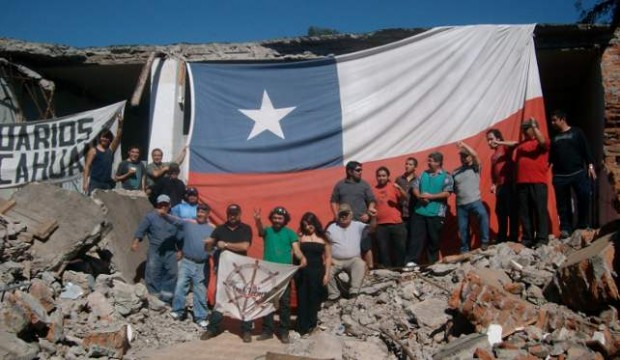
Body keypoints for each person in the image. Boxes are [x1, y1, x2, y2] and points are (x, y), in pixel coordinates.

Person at [201, 204, 253, 343]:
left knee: (244, 299)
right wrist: (208, 243)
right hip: (224, 272)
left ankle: (246, 330)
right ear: (227, 214)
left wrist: (225, 245)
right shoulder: (219, 229)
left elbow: (245, 246)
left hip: (241, 272)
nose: (232, 216)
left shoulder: (246, 228)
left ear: (240, 214)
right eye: (230, 213)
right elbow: (209, 248)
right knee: (220, 300)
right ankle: (212, 329)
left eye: (235, 213)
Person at [254, 206, 306, 344]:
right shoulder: (267, 231)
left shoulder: (290, 233)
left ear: (285, 219)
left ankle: (284, 332)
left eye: (280, 218)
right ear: (271, 218)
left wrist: (302, 258)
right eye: (275, 218)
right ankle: (267, 331)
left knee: (284, 304)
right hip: (267, 273)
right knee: (267, 302)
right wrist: (258, 220)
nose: (277, 220)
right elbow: (260, 231)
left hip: (284, 274)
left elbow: (296, 250)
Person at [495, 118, 550, 247]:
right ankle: (527, 239)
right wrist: (499, 142)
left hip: (537, 182)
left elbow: (542, 141)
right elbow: (513, 143)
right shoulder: (521, 144)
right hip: (521, 183)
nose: (524, 131)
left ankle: (542, 239)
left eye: (527, 128)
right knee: (525, 212)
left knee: (539, 211)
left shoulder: (541, 141)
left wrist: (534, 126)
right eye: (523, 128)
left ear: (534, 128)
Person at [549, 110, 596, 238]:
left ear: (562, 119)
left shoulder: (577, 132)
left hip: (578, 172)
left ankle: (582, 224)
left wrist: (590, 165)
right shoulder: (555, 138)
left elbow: (586, 148)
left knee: (584, 196)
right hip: (560, 176)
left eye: (554, 120)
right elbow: (551, 157)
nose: (552, 123)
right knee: (563, 204)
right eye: (552, 120)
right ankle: (566, 228)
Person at [169, 204, 214, 329]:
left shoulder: (212, 229)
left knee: (200, 292)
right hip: (187, 262)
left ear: (208, 214)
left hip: (202, 265)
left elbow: (214, 249)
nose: (200, 214)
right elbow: (173, 220)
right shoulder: (188, 223)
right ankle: (177, 311)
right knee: (180, 286)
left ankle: (201, 317)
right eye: (199, 211)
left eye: (203, 212)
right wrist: (162, 214)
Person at [406, 152, 453, 268]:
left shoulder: (446, 176)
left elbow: (447, 193)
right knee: (416, 238)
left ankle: (432, 265)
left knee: (433, 240)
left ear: (438, 162)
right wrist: (419, 196)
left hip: (436, 213)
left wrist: (430, 197)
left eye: (430, 161)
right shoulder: (423, 174)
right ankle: (411, 263)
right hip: (419, 211)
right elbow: (415, 187)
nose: (428, 163)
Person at [130, 194, 179, 303]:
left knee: (172, 273)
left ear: (169, 205)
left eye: (165, 204)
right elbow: (141, 230)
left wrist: (181, 250)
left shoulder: (174, 218)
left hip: (171, 250)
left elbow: (180, 235)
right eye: (161, 204)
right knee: (153, 273)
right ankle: (154, 298)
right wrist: (135, 242)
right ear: (157, 204)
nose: (163, 207)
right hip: (155, 250)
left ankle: (167, 299)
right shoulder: (150, 217)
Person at [325, 203, 376, 303]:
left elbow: (372, 229)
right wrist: (327, 259)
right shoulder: (331, 227)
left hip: (353, 259)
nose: (343, 217)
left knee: (360, 263)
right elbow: (326, 244)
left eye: (346, 214)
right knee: (326, 270)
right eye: (341, 214)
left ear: (351, 215)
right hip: (336, 260)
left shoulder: (357, 225)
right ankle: (334, 295)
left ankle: (354, 292)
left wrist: (373, 218)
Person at [295, 212, 331, 337]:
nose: (307, 227)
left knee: (314, 298)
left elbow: (328, 257)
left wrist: (327, 274)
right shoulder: (300, 236)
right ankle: (301, 327)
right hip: (303, 272)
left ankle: (312, 325)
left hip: (317, 271)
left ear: (315, 223)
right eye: (304, 225)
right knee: (302, 298)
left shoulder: (323, 237)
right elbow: (295, 253)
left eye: (309, 224)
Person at [453, 142, 490, 252]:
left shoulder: (475, 167)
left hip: (475, 200)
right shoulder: (455, 171)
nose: (463, 158)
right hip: (461, 204)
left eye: (465, 156)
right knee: (463, 228)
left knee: (483, 215)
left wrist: (464, 145)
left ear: (469, 157)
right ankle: (464, 249)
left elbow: (475, 155)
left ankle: (485, 242)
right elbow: (453, 187)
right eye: (461, 156)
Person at [486, 129, 518, 243]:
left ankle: (514, 237)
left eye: (491, 139)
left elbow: (515, 143)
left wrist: (500, 143)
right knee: (500, 211)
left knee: (512, 211)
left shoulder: (504, 148)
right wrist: (494, 184)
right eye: (488, 140)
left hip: (509, 184)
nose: (489, 142)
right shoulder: (493, 155)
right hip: (500, 187)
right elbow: (494, 171)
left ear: (498, 138)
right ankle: (502, 237)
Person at [372, 166, 407, 267]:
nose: (381, 178)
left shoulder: (393, 186)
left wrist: (400, 188)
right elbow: (370, 205)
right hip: (380, 225)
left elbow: (405, 198)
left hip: (396, 223)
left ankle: (400, 270)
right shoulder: (373, 190)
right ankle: (388, 272)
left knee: (400, 249)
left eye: (383, 176)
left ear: (388, 176)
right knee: (383, 251)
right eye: (379, 176)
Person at [82, 115, 123, 194]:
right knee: (94, 205)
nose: (105, 139)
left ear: (110, 140)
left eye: (108, 138)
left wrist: (120, 124)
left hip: (107, 184)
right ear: (99, 138)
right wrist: (85, 182)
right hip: (95, 183)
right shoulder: (93, 150)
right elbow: (86, 167)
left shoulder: (110, 150)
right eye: (103, 137)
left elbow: (118, 137)